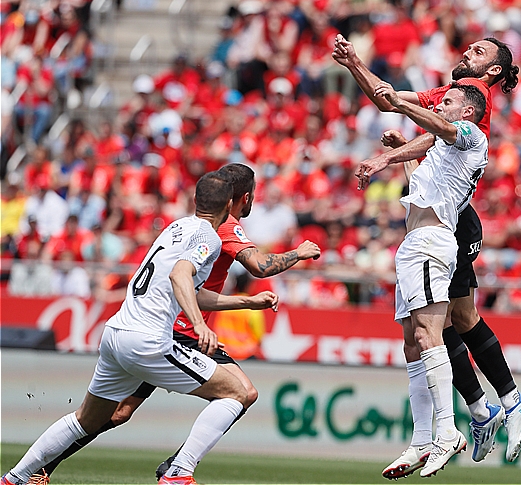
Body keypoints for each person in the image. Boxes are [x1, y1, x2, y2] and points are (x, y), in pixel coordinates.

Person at [26, 164, 321, 484]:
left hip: (160, 326)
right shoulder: (226, 227)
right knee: (242, 393)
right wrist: (298, 253)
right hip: (176, 330)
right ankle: (178, 468)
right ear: (243, 198)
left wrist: (246, 302)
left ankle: (38, 470)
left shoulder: (186, 224)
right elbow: (259, 266)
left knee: (118, 413)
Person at [333, 35, 521, 471]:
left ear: (493, 72)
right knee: (432, 329)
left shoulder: (471, 97)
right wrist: (355, 65)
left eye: (479, 52)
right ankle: (477, 413)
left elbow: (439, 132)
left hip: (448, 227)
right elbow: (397, 109)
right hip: (427, 229)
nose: (467, 52)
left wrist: (397, 139)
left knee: (441, 326)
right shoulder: (451, 97)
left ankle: (474, 416)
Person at [369, 80, 487, 478]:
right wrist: (396, 152)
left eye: (448, 101)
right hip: (413, 242)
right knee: (410, 343)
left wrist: (402, 106)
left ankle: (447, 432)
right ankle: (421, 438)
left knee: (429, 337)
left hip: (433, 242)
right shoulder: (441, 153)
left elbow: (444, 129)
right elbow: (425, 184)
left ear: (467, 111)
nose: (441, 103)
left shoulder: (473, 135)